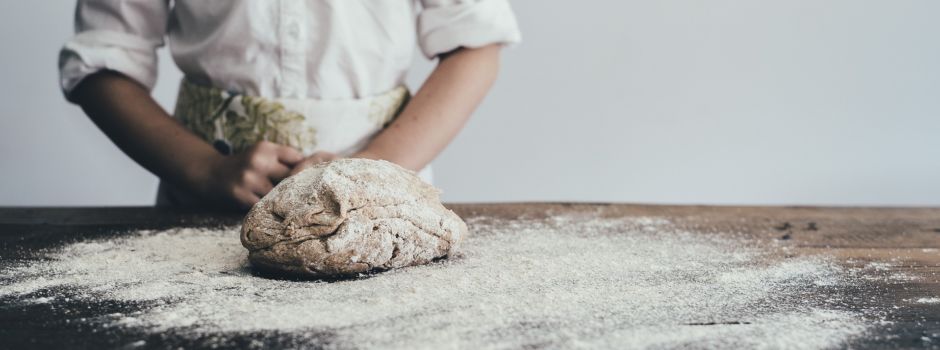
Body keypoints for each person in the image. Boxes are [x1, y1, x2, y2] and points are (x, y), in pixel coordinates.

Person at [59, 1, 521, 210]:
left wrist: (369, 172)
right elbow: (102, 61)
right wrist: (205, 169)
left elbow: (476, 44)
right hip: (205, 202)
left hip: (382, 203)